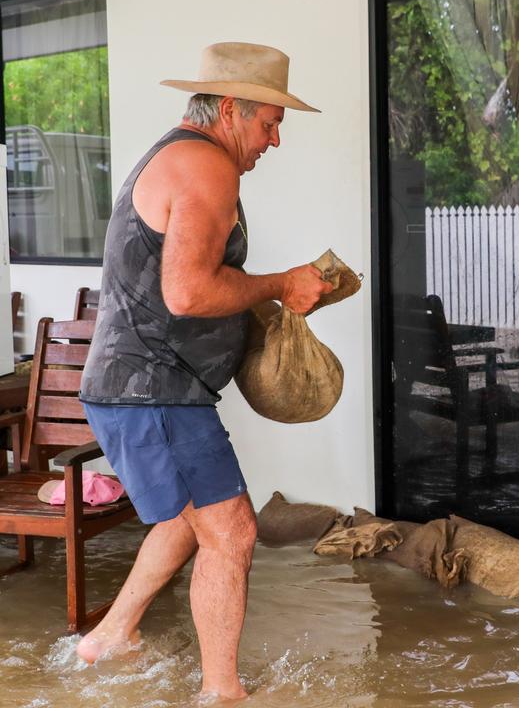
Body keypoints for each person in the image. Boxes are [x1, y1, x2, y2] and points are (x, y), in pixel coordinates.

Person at [75, 41, 332, 700]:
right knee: (234, 533)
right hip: (153, 389)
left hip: (149, 388)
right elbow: (187, 292)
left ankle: (109, 636)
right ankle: (223, 692)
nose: (275, 139)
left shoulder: (188, 156)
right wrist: (278, 284)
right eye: (269, 122)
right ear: (228, 110)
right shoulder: (203, 165)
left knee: (187, 522)